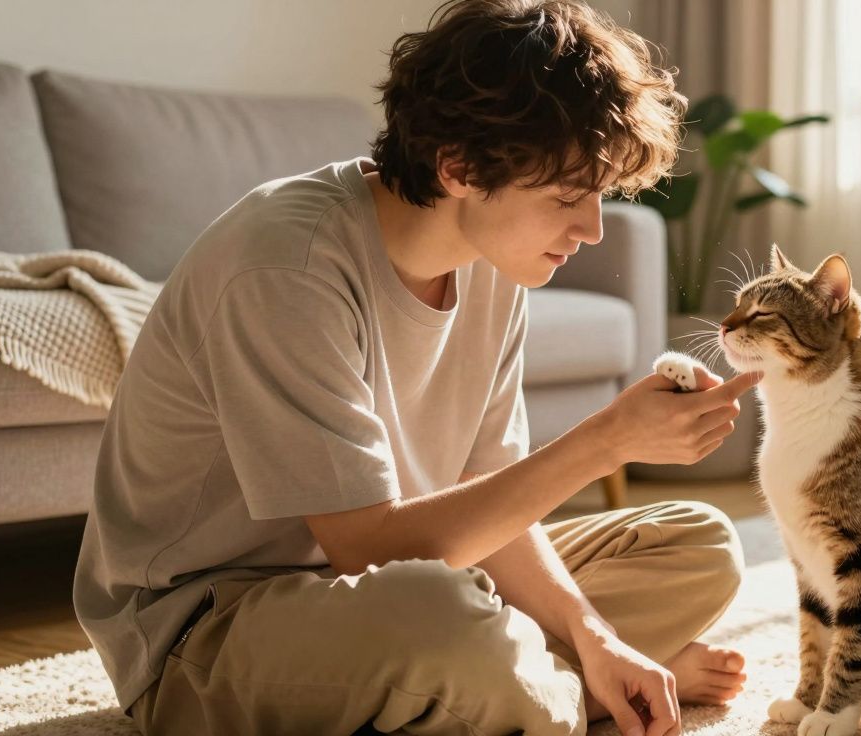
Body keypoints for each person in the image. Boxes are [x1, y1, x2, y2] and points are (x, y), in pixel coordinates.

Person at [72, 1, 763, 734]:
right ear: (459, 166)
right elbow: (365, 547)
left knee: (701, 544)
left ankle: (536, 676)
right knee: (446, 623)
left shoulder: (495, 261)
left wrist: (596, 632)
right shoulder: (286, 263)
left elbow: (486, 496)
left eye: (598, 196)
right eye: (567, 196)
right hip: (208, 628)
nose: (592, 229)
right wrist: (604, 442)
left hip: (408, 586)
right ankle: (550, 690)